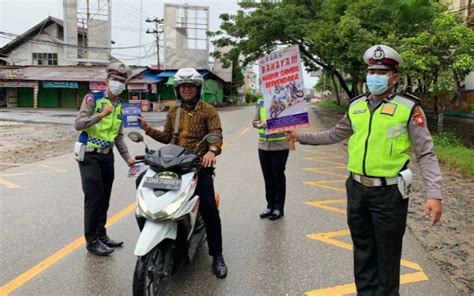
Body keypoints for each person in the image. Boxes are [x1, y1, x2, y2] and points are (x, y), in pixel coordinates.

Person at [287, 45, 443, 296]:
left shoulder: (409, 108)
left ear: (394, 78)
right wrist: (300, 136)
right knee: (362, 252)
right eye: (371, 71)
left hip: (390, 193)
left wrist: (434, 193)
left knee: (387, 257)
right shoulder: (356, 106)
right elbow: (333, 134)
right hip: (357, 189)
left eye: (381, 72)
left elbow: (426, 153)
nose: (374, 76)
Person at [139, 68, 228, 278]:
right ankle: (155, 238)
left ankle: (217, 255)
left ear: (198, 89)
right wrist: (146, 128)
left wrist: (211, 152)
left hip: (198, 165)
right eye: (183, 87)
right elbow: (166, 137)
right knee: (143, 187)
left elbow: (216, 135)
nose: (187, 90)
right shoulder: (173, 112)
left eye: (190, 86)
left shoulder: (208, 110)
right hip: (173, 164)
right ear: (178, 89)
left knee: (208, 208)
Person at [75, 62, 136, 256]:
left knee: (105, 197)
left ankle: (101, 234)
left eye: (121, 81)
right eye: (115, 79)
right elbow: (78, 124)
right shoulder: (93, 98)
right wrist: (100, 115)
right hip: (90, 154)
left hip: (107, 156)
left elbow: (118, 136)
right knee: (94, 198)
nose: (118, 83)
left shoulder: (120, 105)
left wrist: (128, 159)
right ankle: (91, 240)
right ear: (107, 81)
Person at [252, 97, 289, 220]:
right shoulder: (260, 101)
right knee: (267, 177)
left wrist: (275, 122)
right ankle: (270, 205)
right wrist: (260, 124)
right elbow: (254, 121)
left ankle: (279, 207)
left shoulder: (285, 100)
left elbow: (290, 121)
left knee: (277, 177)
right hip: (263, 146)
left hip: (280, 146)